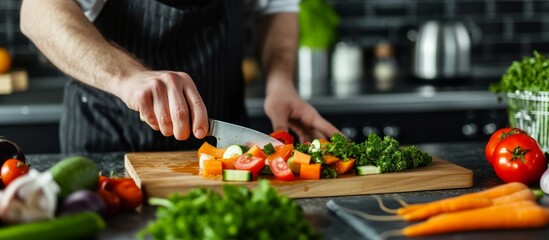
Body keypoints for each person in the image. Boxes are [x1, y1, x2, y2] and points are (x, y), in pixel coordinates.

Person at [20, 0, 339, 153]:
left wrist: (280, 83)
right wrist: (127, 78)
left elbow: (275, 8)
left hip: (220, 142)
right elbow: (38, 12)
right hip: (108, 135)